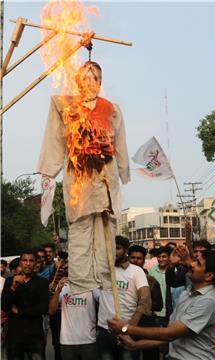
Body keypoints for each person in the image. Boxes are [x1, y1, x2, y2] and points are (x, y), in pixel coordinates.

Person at [37, 61, 130, 294]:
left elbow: (120, 143)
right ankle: (82, 287)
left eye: (96, 78)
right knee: (80, 229)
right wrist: (49, 170)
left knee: (106, 230)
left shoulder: (113, 108)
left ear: (100, 83)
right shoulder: (64, 106)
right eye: (86, 78)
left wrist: (123, 170)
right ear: (78, 82)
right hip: (79, 177)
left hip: (105, 176)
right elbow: (55, 138)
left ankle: (105, 286)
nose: (91, 82)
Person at [108, 250, 215, 360]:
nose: (191, 264)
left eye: (197, 263)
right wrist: (136, 345)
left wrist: (126, 328)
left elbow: (170, 334)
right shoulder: (187, 293)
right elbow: (173, 336)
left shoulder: (208, 301)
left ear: (209, 276)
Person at [96, 236, 151, 360]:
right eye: (111, 248)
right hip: (104, 332)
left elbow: (145, 302)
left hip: (126, 333)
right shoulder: (103, 270)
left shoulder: (136, 271)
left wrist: (128, 330)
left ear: (126, 250)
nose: (113, 251)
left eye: (118, 248)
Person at [1, 250, 49, 360]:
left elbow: (42, 308)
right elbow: (4, 306)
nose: (28, 263)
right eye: (25, 260)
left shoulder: (42, 282)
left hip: (34, 335)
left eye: (31, 260)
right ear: (20, 263)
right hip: (15, 334)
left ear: (36, 263)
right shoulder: (10, 281)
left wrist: (20, 311)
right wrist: (13, 287)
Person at [49, 277, 98, 360]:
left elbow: (103, 302)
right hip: (67, 342)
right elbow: (51, 311)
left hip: (88, 340)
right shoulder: (64, 285)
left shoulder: (92, 285)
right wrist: (58, 291)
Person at [128, 245, 162, 360]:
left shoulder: (151, 281)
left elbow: (159, 305)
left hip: (146, 325)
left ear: (143, 260)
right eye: (133, 257)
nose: (135, 261)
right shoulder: (122, 278)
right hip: (127, 323)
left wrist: (143, 303)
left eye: (139, 258)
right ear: (128, 258)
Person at [149, 247, 172, 327]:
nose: (161, 259)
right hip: (156, 312)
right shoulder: (152, 270)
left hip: (171, 312)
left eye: (164, 256)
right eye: (159, 257)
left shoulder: (174, 271)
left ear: (169, 257)